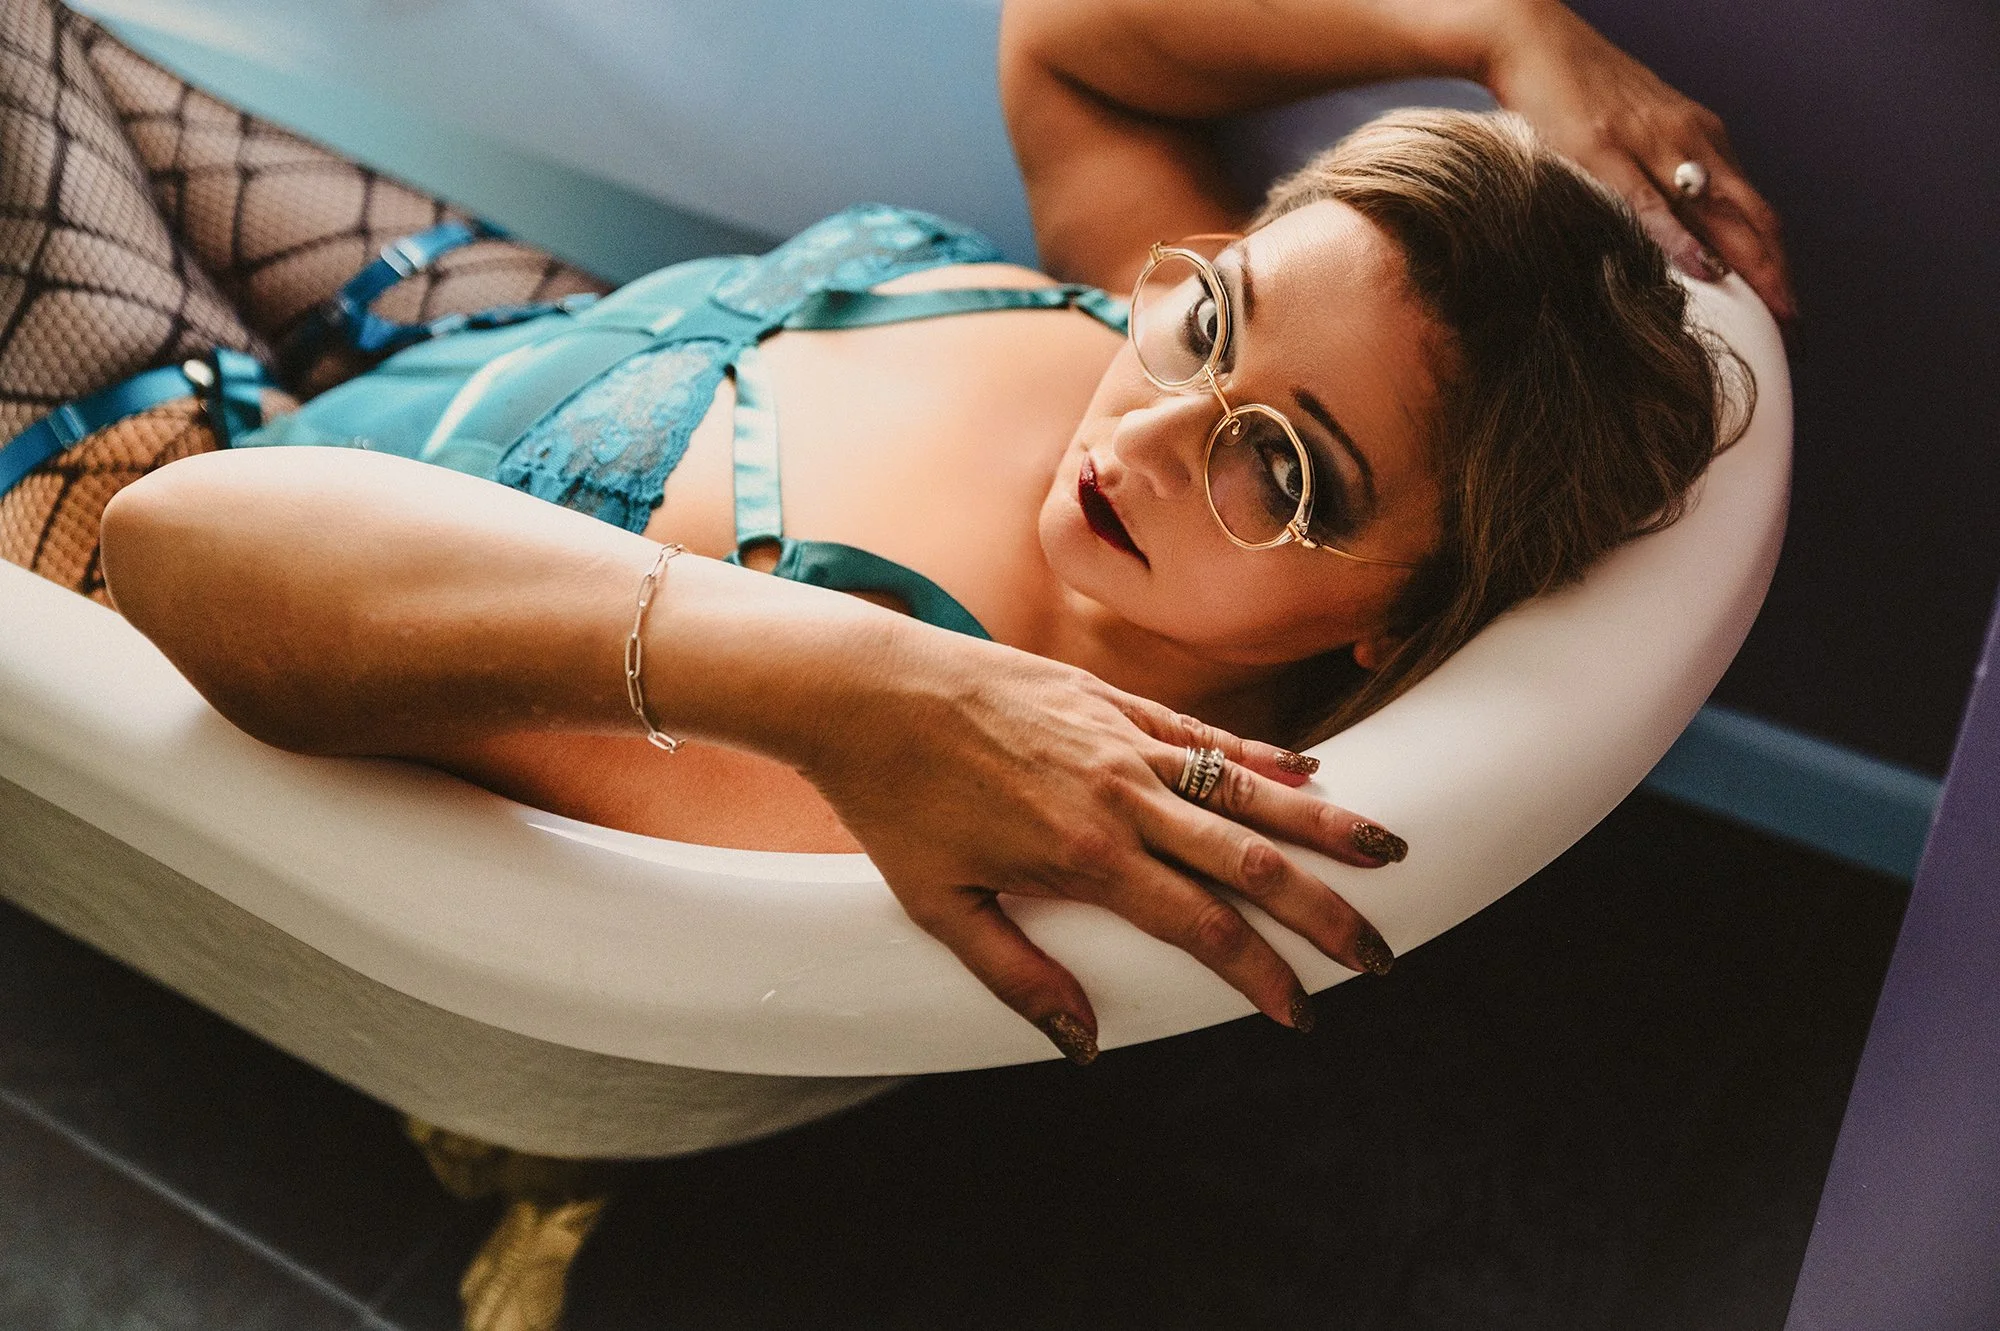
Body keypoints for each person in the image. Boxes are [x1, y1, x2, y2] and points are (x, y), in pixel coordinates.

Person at [0, 0, 1781, 1064]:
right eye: (1217, 306)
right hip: (490, 336)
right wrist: (1491, 30)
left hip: (177, 485)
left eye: (1286, 471)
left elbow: (180, 537)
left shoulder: (923, 767)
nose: (1151, 427)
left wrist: (864, 684)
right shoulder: (1158, 411)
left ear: (1393, 625)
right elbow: (1076, 48)